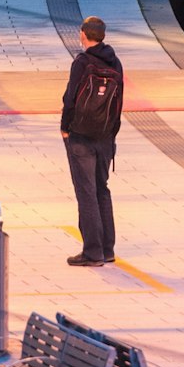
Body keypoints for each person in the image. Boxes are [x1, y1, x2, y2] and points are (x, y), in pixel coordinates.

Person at [60, 15, 124, 267]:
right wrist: (111, 133)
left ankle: (92, 252)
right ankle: (107, 249)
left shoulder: (82, 62)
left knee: (86, 192)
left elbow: (70, 98)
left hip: (81, 137)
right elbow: (119, 101)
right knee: (102, 190)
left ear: (84, 34)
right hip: (106, 136)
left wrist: (65, 128)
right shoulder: (116, 62)